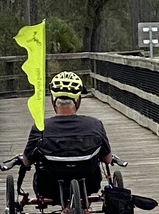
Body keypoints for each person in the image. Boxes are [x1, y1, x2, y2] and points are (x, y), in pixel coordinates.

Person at [21, 70, 113, 199]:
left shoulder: (40, 127)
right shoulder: (95, 124)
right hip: (89, 185)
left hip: (50, 187)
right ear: (78, 100)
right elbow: (107, 159)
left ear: (53, 100)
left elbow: (26, 161)